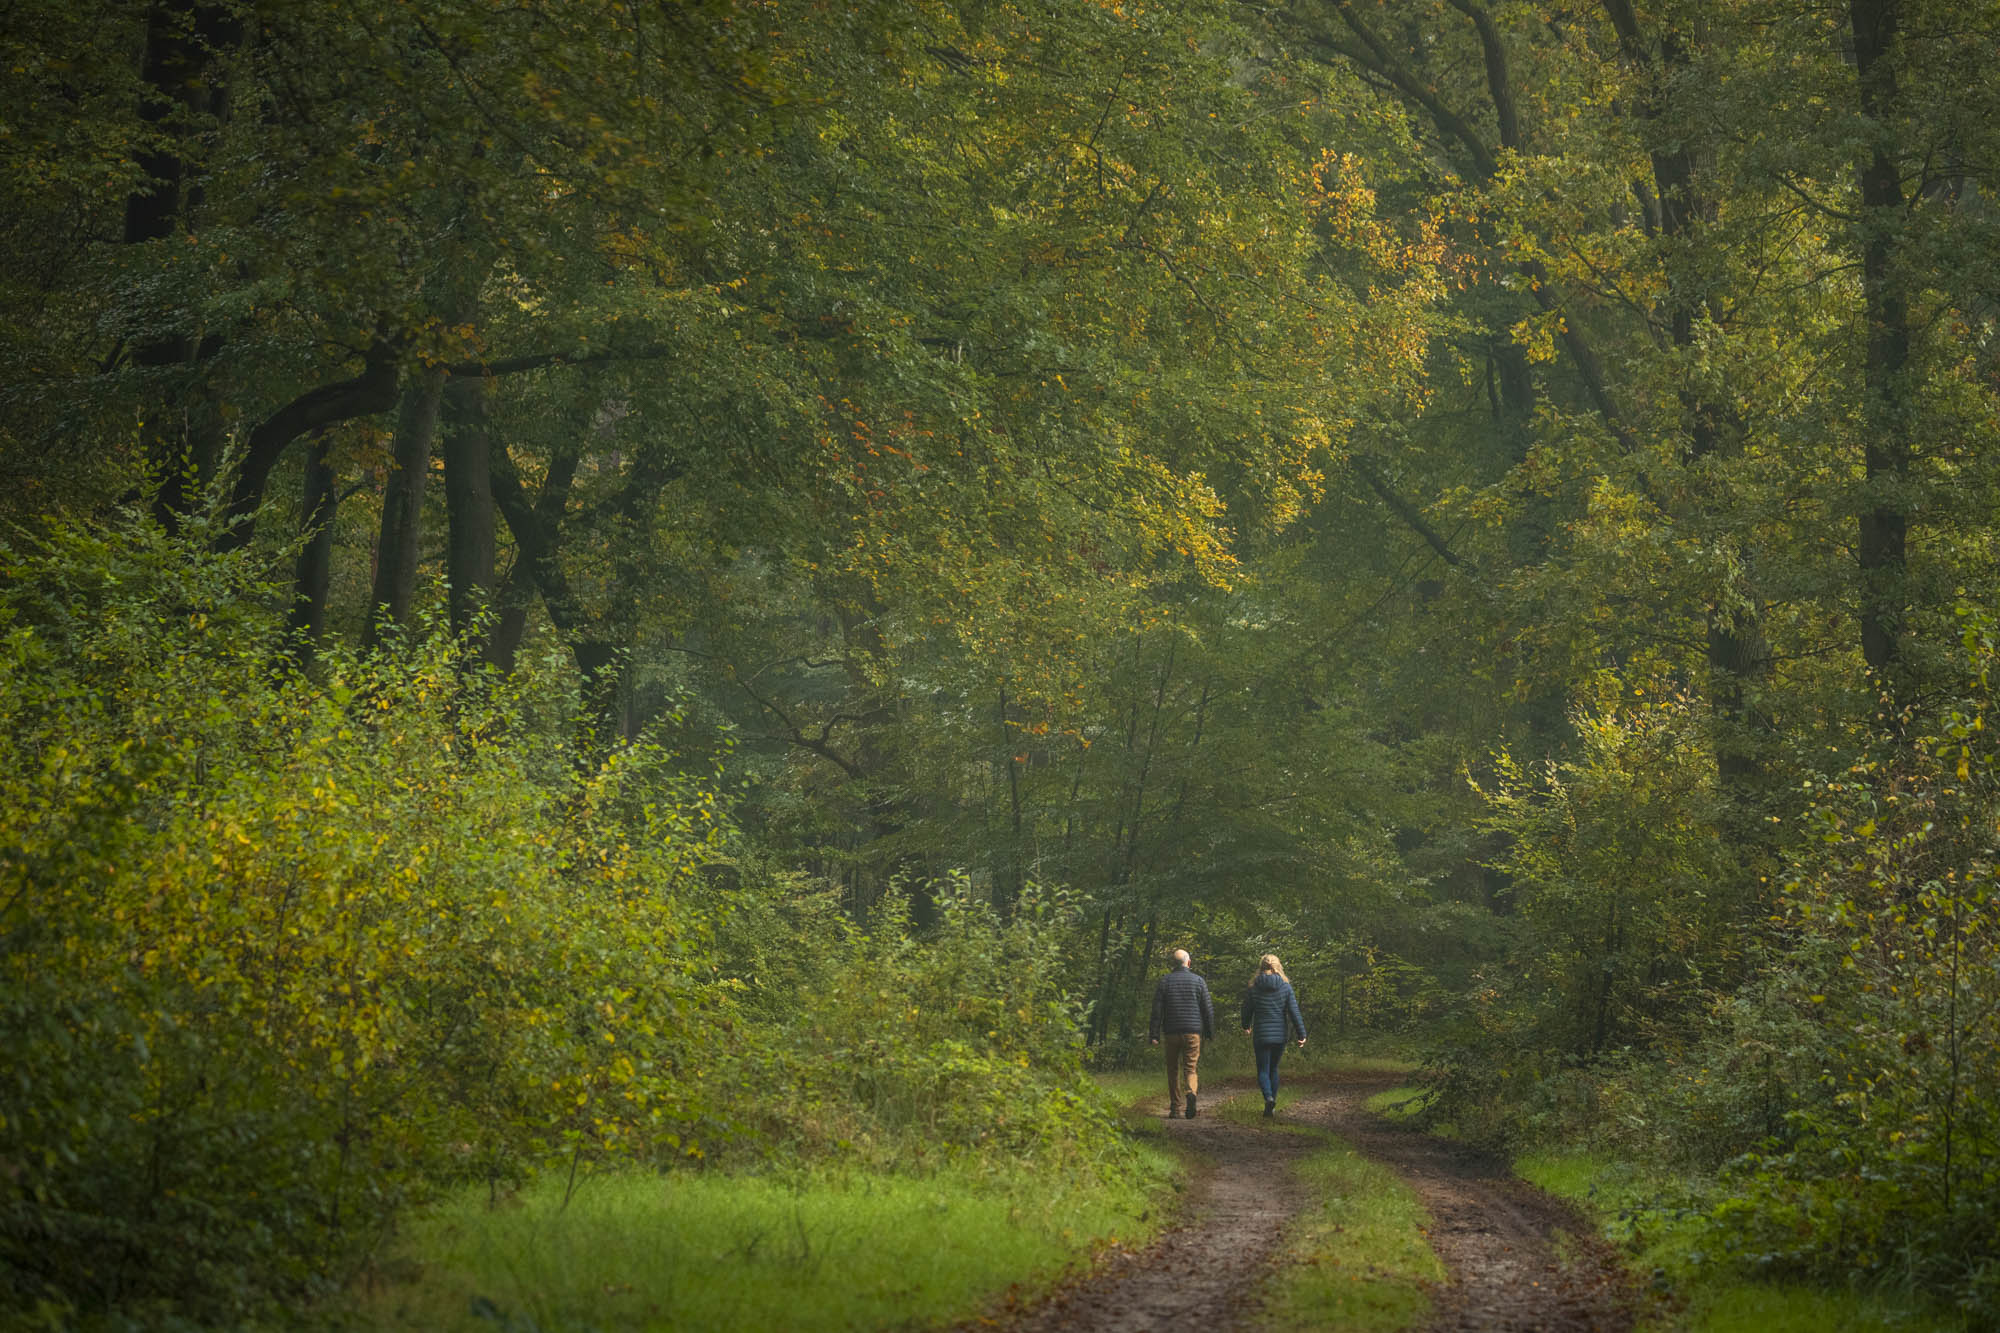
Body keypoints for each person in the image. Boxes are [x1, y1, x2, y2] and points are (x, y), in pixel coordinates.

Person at [1148, 948, 1214, 1119]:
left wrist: (1154, 1034)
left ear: (1173, 964)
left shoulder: (1165, 981)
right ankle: (1191, 1092)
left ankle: (1175, 1108)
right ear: (1188, 963)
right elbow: (1207, 1010)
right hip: (1193, 1032)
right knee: (1190, 1068)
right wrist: (1209, 1031)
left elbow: (1157, 1010)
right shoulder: (1199, 981)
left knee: (1172, 1069)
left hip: (1171, 1032)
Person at [1240, 953, 1306, 1117]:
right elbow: (1294, 1012)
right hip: (1279, 1035)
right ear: (1278, 966)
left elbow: (1246, 1009)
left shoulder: (1254, 986)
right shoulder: (1285, 986)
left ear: (1261, 967)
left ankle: (1268, 1098)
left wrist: (1246, 1025)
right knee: (1273, 1069)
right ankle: (1272, 1105)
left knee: (1263, 1069)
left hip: (1261, 1034)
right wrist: (1301, 1034)